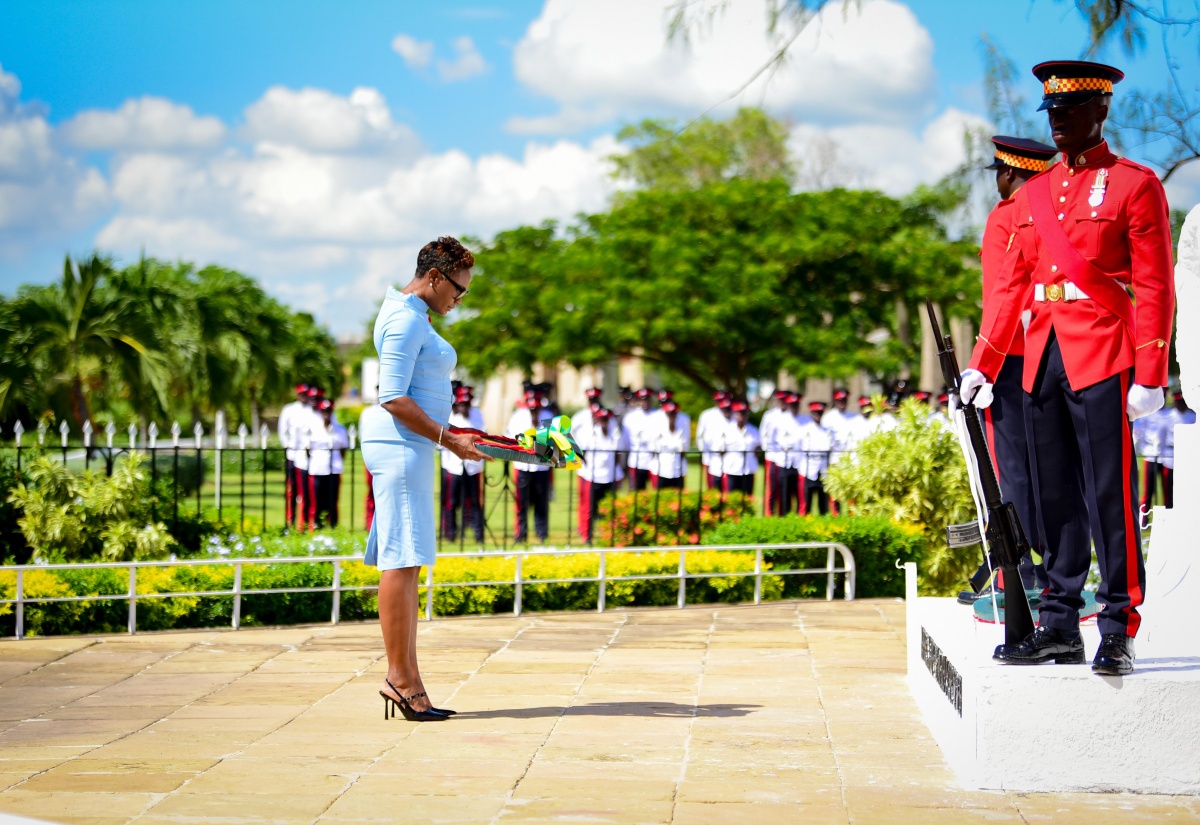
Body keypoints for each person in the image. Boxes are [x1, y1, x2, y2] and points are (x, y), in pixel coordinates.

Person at [961, 61, 1175, 676]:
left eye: (1071, 111)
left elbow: (1156, 284)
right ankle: (1059, 624)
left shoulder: (1135, 184)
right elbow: (1012, 288)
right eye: (1052, 112)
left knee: (1109, 492)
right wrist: (984, 362)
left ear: (1100, 112)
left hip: (1103, 349)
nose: (1058, 122)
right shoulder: (1031, 194)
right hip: (1040, 358)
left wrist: (1151, 370)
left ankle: (1116, 624)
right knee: (1051, 496)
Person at [361, 236, 491, 720]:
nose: (460, 299)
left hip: (414, 444)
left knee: (409, 559)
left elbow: (419, 392)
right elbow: (392, 397)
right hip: (400, 444)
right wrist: (448, 439)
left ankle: (408, 679)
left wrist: (460, 433)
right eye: (458, 289)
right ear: (434, 277)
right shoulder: (402, 319)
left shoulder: (415, 316)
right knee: (400, 558)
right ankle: (401, 680)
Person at [963, 135, 1059, 604]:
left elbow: (1007, 291)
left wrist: (984, 361)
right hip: (1058, 353)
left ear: (1008, 174)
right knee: (1055, 464)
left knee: (1012, 468)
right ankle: (1050, 563)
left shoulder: (1007, 216)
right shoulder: (1058, 210)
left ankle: (1014, 567)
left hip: (1011, 355)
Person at [505, 395, 552, 544]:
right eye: (532, 409)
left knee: (541, 502)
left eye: (536, 409)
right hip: (523, 466)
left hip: (541, 467)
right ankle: (521, 533)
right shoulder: (518, 417)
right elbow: (510, 437)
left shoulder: (548, 417)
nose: (534, 412)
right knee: (521, 503)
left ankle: (542, 533)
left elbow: (553, 441)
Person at [441, 389, 485, 543]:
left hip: (472, 466)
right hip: (454, 465)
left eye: (466, 404)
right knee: (452, 502)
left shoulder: (477, 415)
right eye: (461, 404)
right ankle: (451, 534)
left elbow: (483, 437)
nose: (464, 407)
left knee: (475, 502)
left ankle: (479, 535)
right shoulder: (451, 417)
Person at [578, 408, 627, 543]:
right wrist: (590, 467)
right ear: (598, 420)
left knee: (611, 508)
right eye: (602, 420)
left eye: (606, 420)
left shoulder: (615, 434)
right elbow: (583, 453)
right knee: (589, 508)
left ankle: (611, 535)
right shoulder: (591, 434)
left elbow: (618, 454)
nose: (604, 423)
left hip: (610, 476)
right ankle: (587, 536)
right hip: (593, 475)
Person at [308, 399, 349, 529]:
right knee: (318, 499)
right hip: (318, 467)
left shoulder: (340, 430)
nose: (326, 413)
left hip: (334, 468)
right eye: (324, 411)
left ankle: (333, 525)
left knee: (333, 499)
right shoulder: (314, 428)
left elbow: (343, 449)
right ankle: (317, 524)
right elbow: (307, 450)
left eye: (329, 411)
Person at [278, 383, 310, 527]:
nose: (304, 397)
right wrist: (287, 445)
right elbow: (282, 430)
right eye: (301, 394)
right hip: (292, 454)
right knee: (292, 489)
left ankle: (303, 522)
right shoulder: (289, 409)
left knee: (306, 490)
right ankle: (290, 520)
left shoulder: (311, 410)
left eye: (306, 394)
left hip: (307, 455)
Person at [1158, 390, 1195, 509]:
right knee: (1168, 489)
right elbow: (1162, 437)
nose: (1181, 405)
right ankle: (1169, 510)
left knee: (1186, 489)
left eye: (1183, 402)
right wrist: (1161, 455)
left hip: (1187, 457)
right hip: (1170, 457)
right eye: (1179, 402)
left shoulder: (1192, 416)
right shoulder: (1168, 416)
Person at [799, 401, 835, 515]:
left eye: (819, 413)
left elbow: (831, 447)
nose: (817, 416)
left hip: (822, 470)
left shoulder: (828, 431)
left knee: (823, 505)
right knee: (806, 504)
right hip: (808, 470)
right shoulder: (805, 430)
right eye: (815, 413)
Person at [720, 401, 760, 494]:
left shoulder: (753, 430)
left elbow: (757, 448)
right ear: (734, 414)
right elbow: (721, 450)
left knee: (748, 498)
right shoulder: (727, 430)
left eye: (744, 413)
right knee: (731, 499)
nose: (741, 416)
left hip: (748, 469)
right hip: (732, 469)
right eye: (739, 413)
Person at [650, 401, 689, 489]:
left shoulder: (682, 425)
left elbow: (684, 446)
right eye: (669, 414)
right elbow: (654, 445)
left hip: (678, 467)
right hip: (662, 467)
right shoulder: (658, 424)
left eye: (674, 414)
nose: (671, 416)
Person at [697, 394, 732, 489]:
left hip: (728, 456)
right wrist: (704, 452)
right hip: (711, 455)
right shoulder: (707, 415)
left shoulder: (731, 414)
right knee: (712, 486)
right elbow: (700, 436)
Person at [622, 389, 654, 491]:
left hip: (654, 460)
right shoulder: (630, 417)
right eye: (642, 399)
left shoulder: (658, 415)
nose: (645, 402)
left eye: (647, 399)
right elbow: (626, 440)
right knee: (636, 492)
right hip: (637, 459)